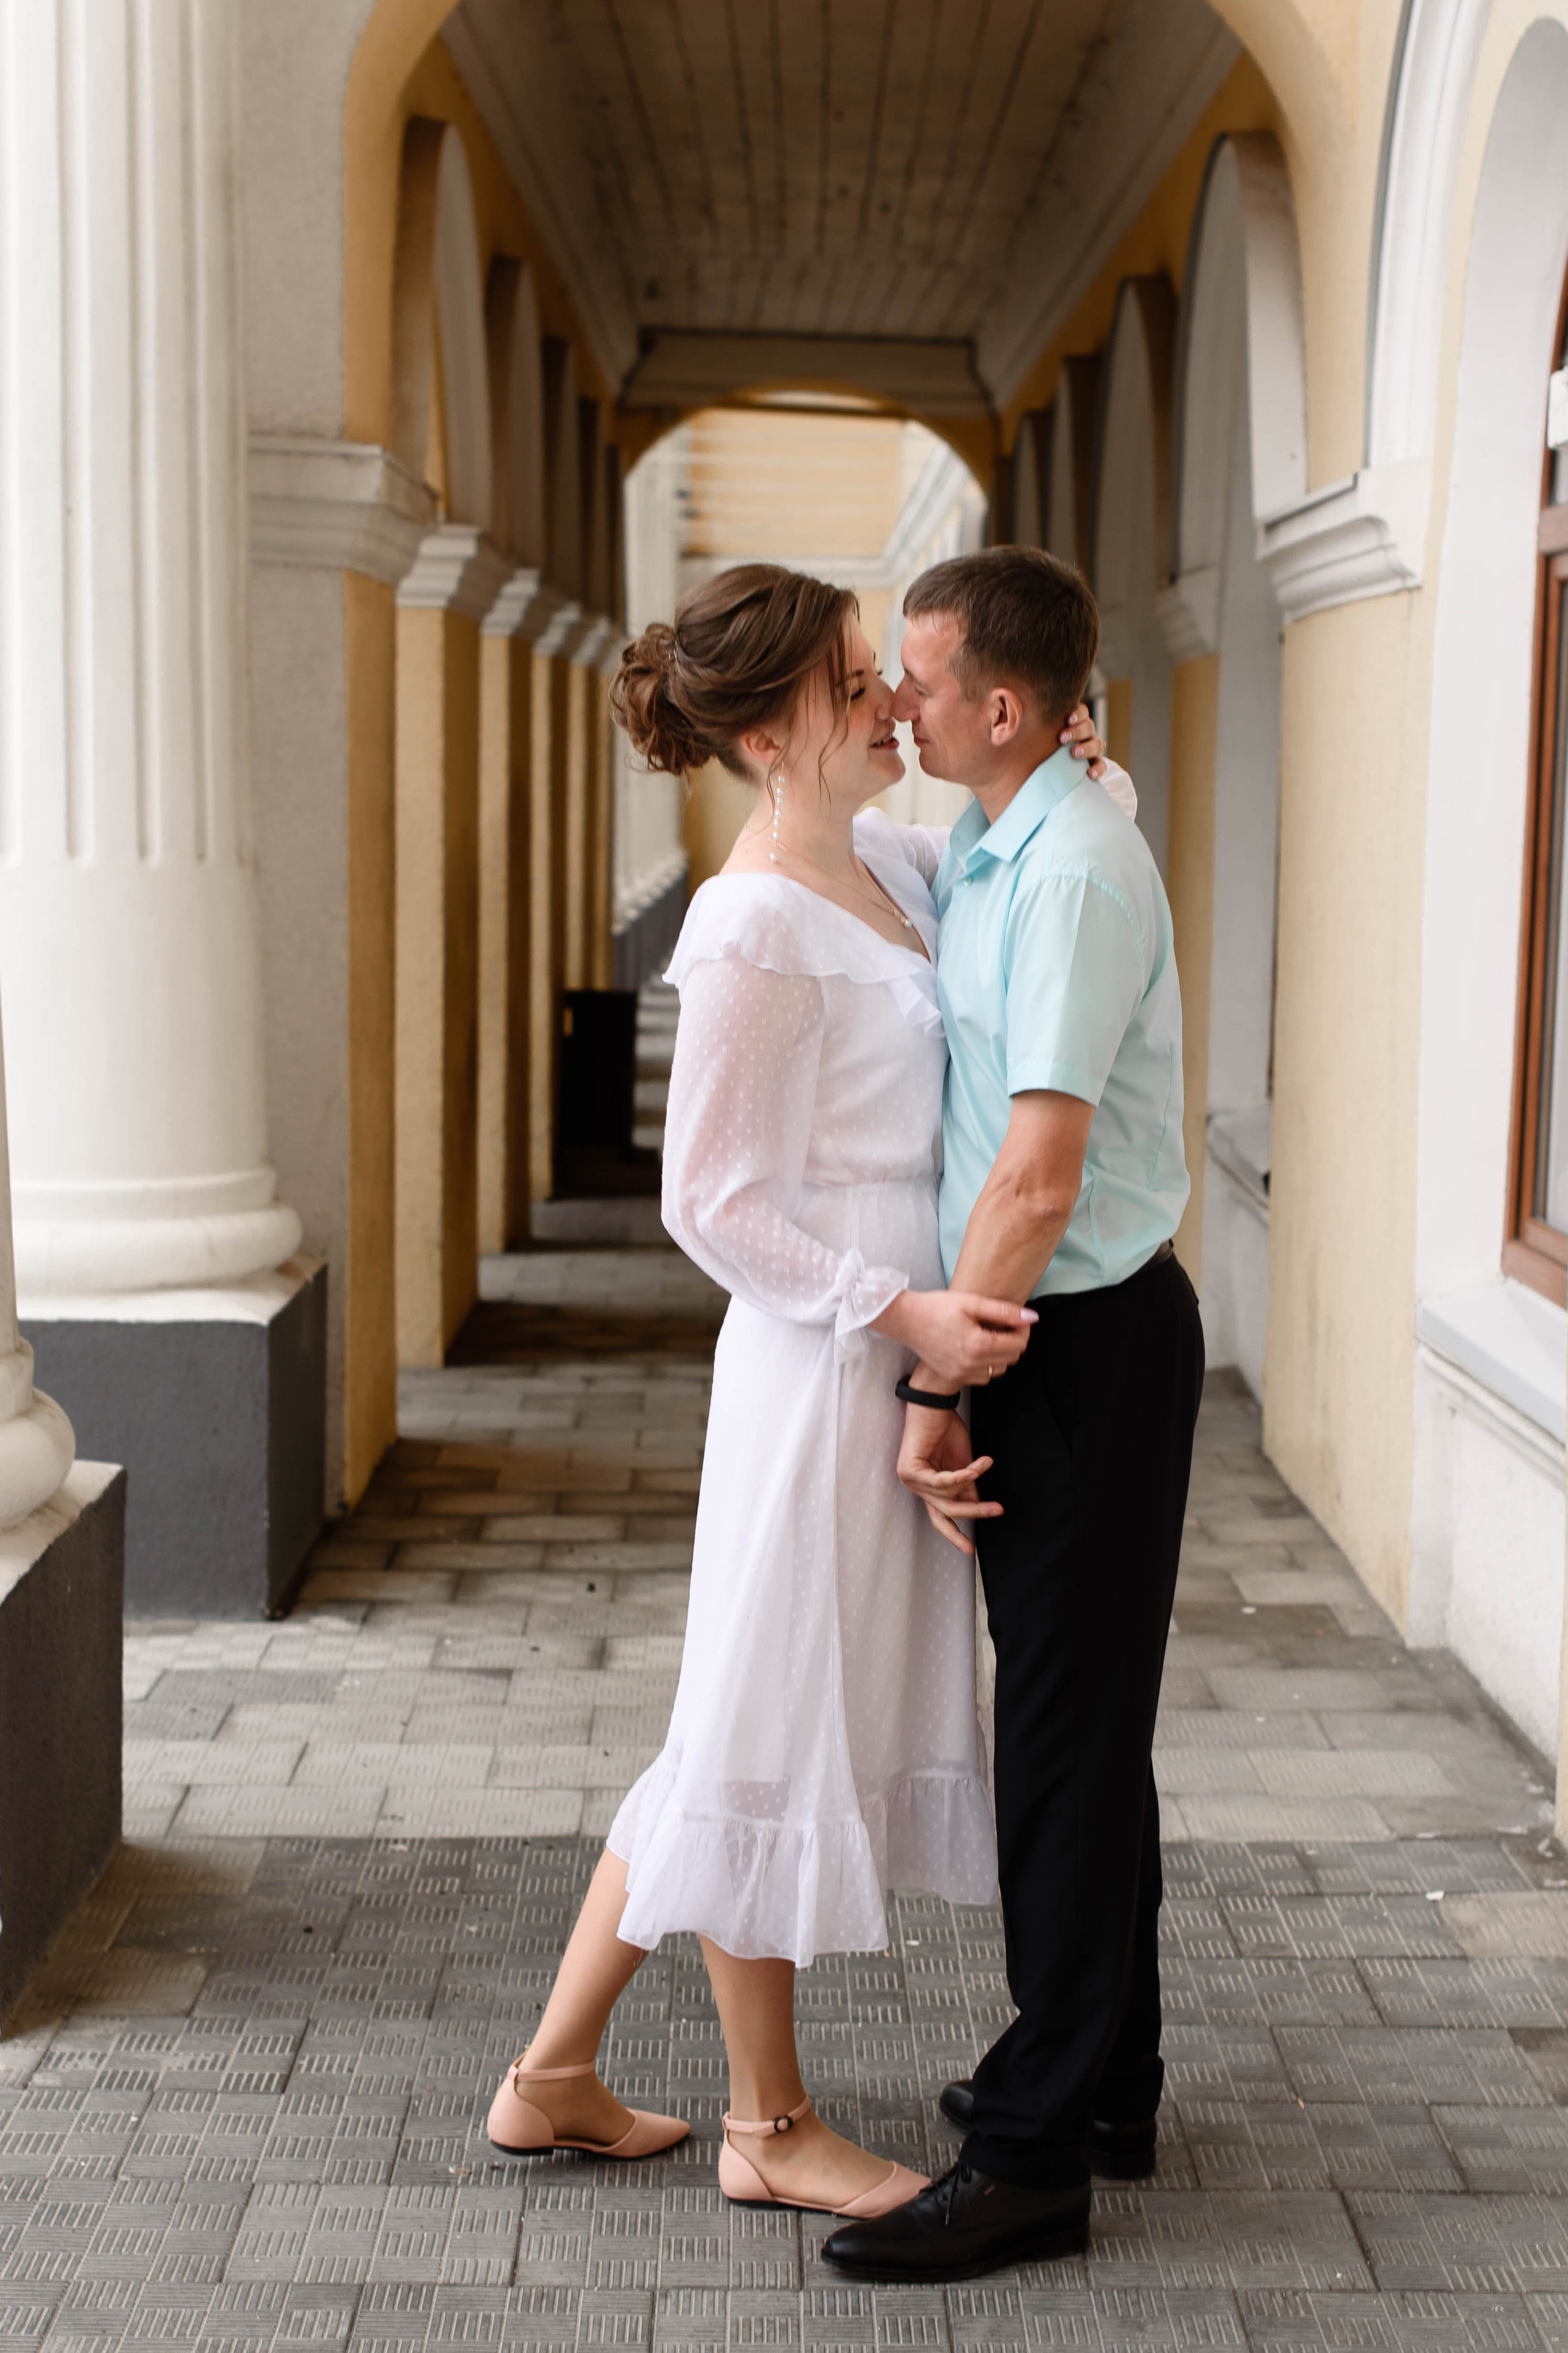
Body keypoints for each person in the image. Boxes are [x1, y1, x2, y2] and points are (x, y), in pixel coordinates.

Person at [481, 562, 1129, 2219]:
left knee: (733, 1715)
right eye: (857, 681)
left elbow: (1011, 857)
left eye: (883, 675)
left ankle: (553, 2072)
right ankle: (768, 2128)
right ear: (774, 733)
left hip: (889, 1354)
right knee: (761, 1724)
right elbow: (709, 1197)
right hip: (816, 1358)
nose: (888, 702)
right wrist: (900, 1303)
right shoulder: (752, 914)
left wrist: (1074, 757)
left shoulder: (895, 863)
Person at [823, 547, 1205, 2281]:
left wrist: (933, 1382)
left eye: (916, 677)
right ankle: (1103, 2072)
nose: (897, 702)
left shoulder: (1068, 876)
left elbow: (1039, 1177)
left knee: (1055, 1739)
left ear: (1000, 703)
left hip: (1083, 1337)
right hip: (1053, 1337)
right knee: (1078, 1725)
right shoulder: (998, 837)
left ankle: (1040, 2157)